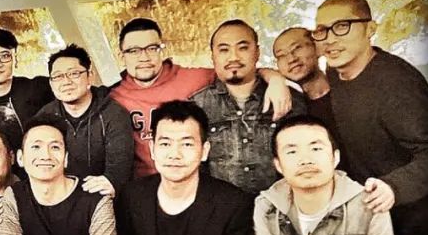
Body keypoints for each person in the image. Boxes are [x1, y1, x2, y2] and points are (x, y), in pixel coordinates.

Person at [313, 0, 428, 235]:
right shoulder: (335, 69)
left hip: (413, 222)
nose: (330, 39)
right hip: (370, 219)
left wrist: (394, 187)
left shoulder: (399, 84)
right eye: (322, 30)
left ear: (370, 29)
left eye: (342, 26)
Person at [109, 18, 293, 179]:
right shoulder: (113, 96)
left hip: (193, 184)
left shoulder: (194, 78)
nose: (144, 57)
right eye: (133, 51)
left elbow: (236, 69)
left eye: (152, 48)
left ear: (162, 49)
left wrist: (275, 79)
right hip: (143, 188)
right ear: (121, 55)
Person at [115, 101, 256, 235]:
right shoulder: (132, 197)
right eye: (165, 143)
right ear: (152, 149)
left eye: (187, 144)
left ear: (204, 151)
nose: (175, 154)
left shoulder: (233, 204)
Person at [254, 115, 395, 235]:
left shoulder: (370, 203)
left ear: (335, 158)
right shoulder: (267, 206)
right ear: (278, 165)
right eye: (292, 152)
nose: (306, 160)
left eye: (316, 148)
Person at [0, 116, 119, 235]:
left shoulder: (95, 198)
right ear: (20, 158)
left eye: (54, 147)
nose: (46, 155)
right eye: (36, 147)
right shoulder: (13, 196)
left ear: (65, 159)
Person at [189, 19, 307, 194]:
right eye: (224, 50)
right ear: (212, 56)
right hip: (222, 207)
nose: (233, 57)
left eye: (243, 48)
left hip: (280, 205)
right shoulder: (197, 105)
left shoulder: (289, 99)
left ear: (257, 52)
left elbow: (303, 155)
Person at [33, 43, 133, 196]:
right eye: (58, 76)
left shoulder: (113, 113)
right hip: (59, 195)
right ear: (51, 83)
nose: (66, 82)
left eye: (74, 74)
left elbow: (118, 169)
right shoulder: (45, 117)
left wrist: (112, 181)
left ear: (90, 76)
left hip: (103, 195)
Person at [273, 27, 337, 141]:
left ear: (316, 48)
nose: (291, 59)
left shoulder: (347, 91)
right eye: (281, 55)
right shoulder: (288, 108)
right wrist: (273, 77)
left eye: (297, 48)